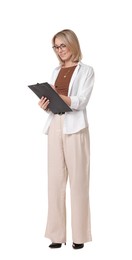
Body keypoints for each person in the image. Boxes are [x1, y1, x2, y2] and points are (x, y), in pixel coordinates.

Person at [38, 29, 94, 249]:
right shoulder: (55, 71)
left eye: (62, 45)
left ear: (72, 44)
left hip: (76, 127)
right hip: (55, 126)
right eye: (56, 46)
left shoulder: (86, 71)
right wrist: (46, 104)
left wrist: (58, 96)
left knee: (79, 182)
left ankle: (79, 236)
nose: (60, 50)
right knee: (55, 182)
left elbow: (81, 100)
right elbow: (56, 104)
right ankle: (56, 235)